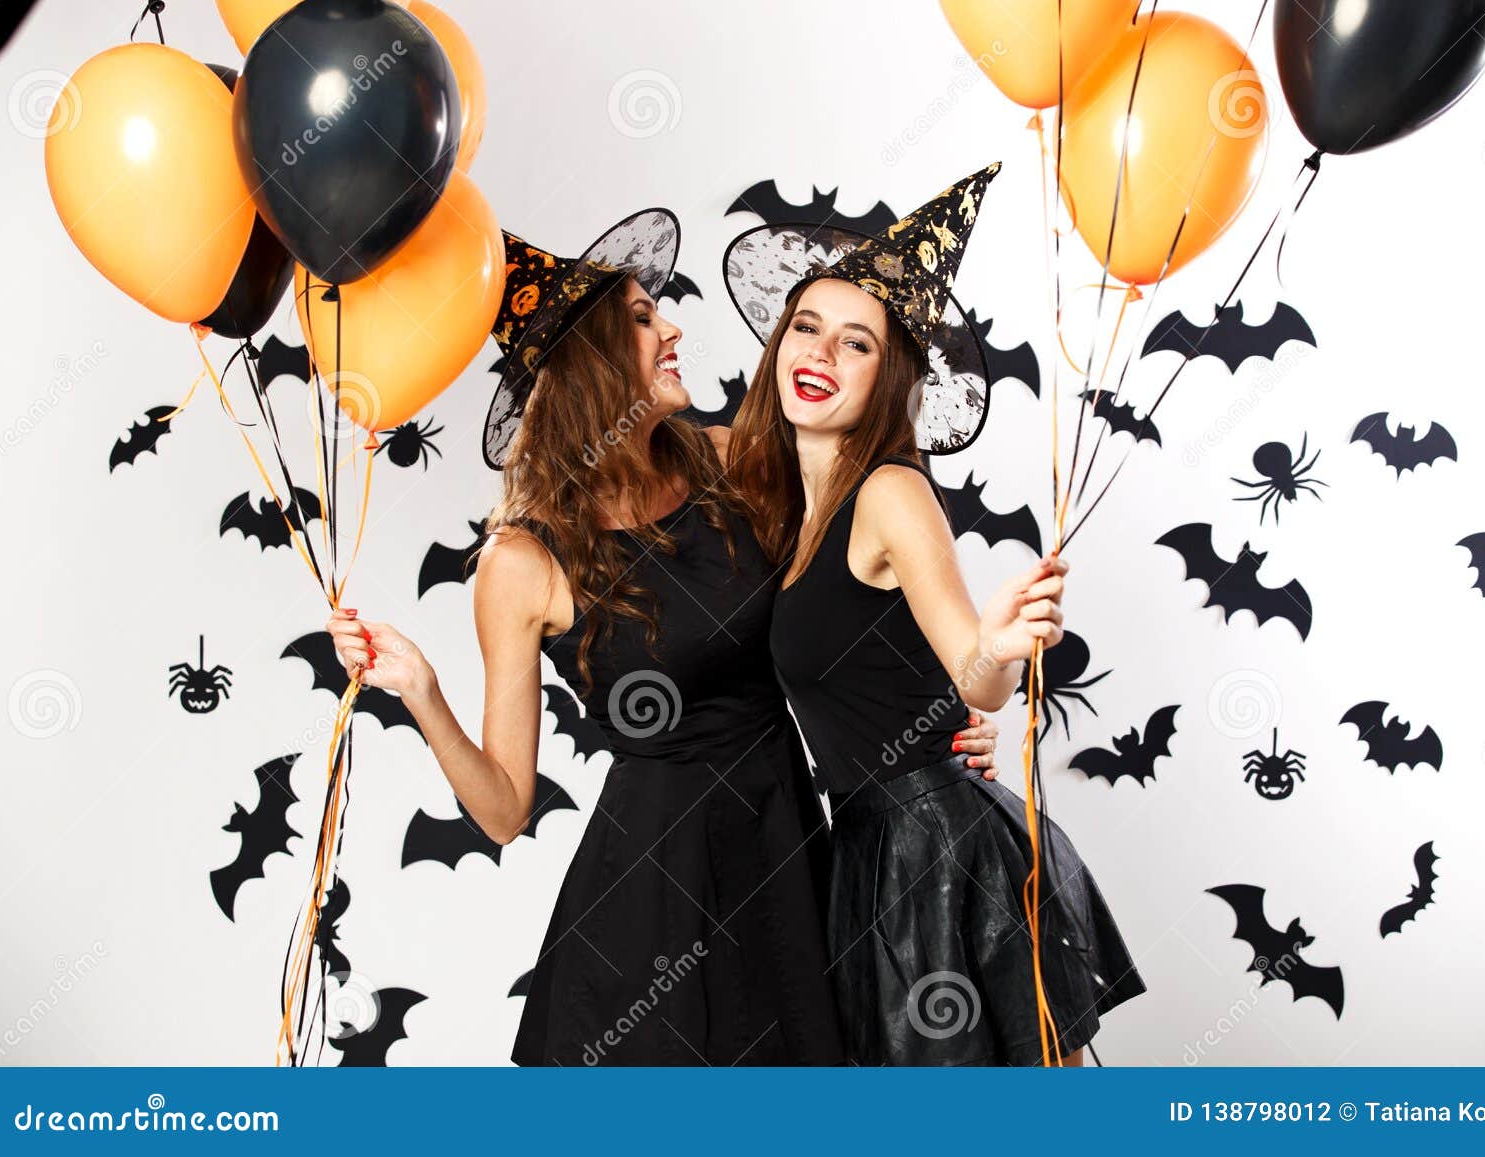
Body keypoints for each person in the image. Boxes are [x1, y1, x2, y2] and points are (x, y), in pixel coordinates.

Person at [322, 209, 1002, 1065]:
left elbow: (859, 566)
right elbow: (503, 809)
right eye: (643, 319)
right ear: (591, 365)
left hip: (788, 850)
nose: (673, 326)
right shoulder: (521, 561)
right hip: (652, 891)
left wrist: (943, 716)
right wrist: (423, 691)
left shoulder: (726, 461)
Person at [720, 162, 1148, 1065]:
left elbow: (973, 672)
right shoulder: (787, 507)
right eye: (807, 328)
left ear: (888, 379)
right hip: (864, 850)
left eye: (856, 344)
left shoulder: (888, 492)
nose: (821, 356)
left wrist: (994, 647)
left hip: (940, 849)